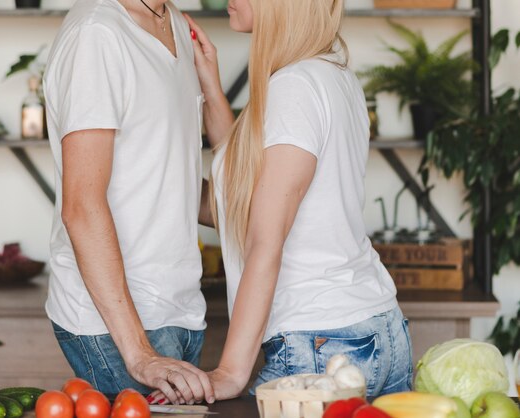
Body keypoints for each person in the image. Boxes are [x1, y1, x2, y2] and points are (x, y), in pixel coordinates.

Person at [154, 0, 414, 402]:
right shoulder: (331, 74)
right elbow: (242, 194)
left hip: (322, 345)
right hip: (376, 328)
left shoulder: (294, 87)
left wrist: (231, 372)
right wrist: (209, 86)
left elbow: (265, 241)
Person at [42, 0, 214, 404]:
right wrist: (139, 355)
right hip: (119, 327)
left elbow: (178, 184)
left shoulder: (175, 25)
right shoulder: (97, 34)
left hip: (182, 310)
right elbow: (81, 207)